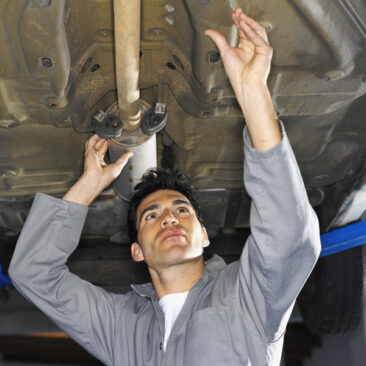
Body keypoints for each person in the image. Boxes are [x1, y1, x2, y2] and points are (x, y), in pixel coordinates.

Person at [9, 8, 321, 366]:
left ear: (204, 235)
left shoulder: (246, 296)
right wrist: (87, 186)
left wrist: (254, 95)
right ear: (137, 251)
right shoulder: (120, 326)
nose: (169, 219)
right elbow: (32, 273)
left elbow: (289, 236)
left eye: (181, 210)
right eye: (151, 216)